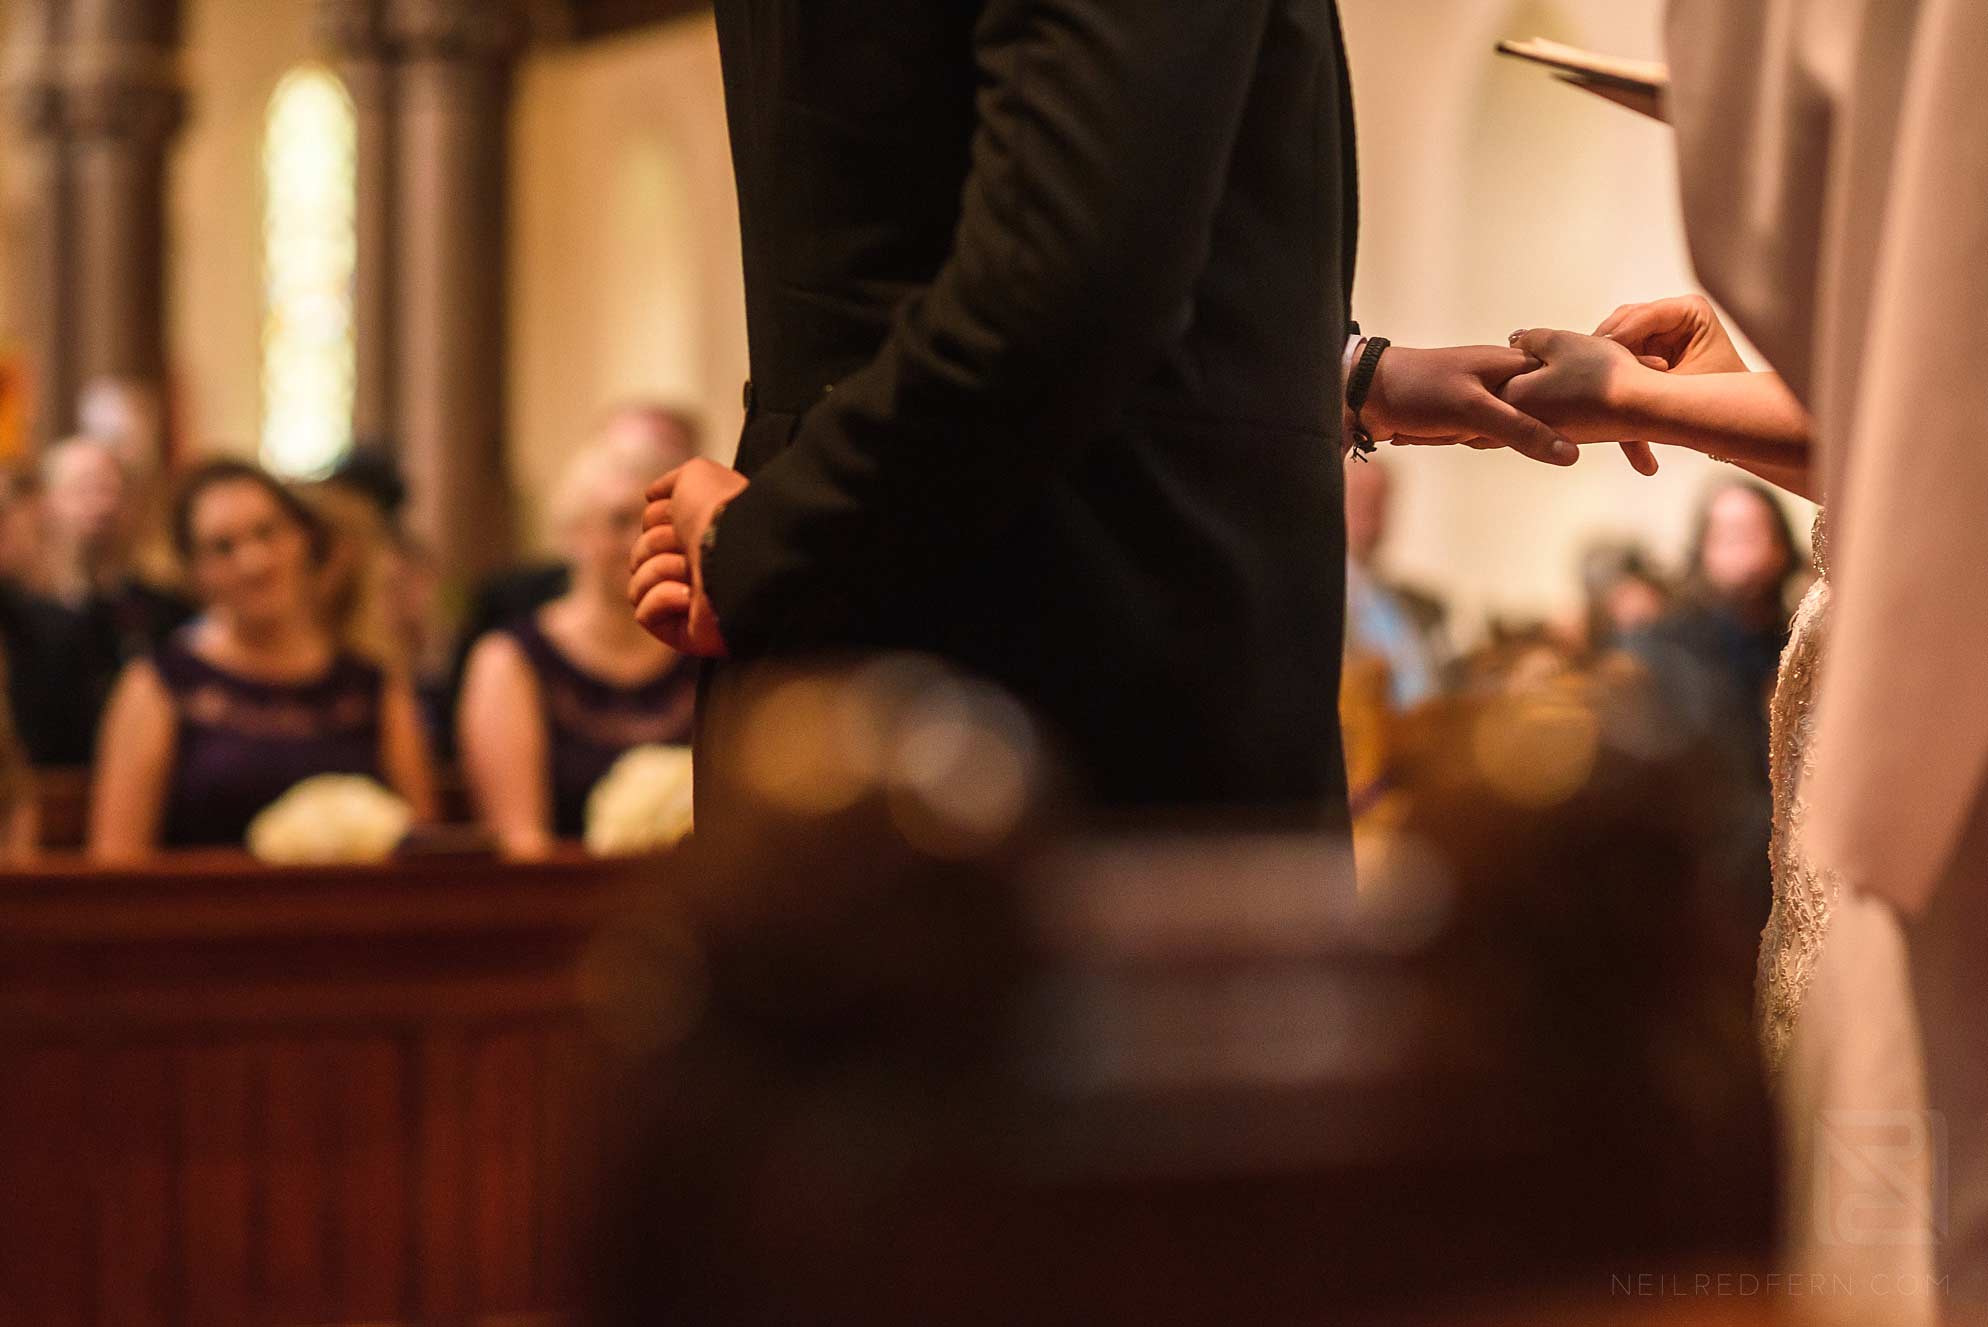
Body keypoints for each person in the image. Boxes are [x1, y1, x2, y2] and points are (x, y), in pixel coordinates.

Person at [631, 1, 1576, 829]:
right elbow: (1059, 281)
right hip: (1031, 680)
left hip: (994, 634)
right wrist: (766, 544)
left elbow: (962, 184)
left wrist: (1334, 374)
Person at [88, 460, 436, 858]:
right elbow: (117, 857)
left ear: (303, 537)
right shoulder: (158, 684)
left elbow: (417, 839)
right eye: (223, 547)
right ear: (196, 571)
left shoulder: (370, 683)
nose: (253, 562)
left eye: (267, 533)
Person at [458, 445, 697, 859]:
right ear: (574, 534)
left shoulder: (700, 646)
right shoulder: (511, 660)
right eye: (619, 520)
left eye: (655, 523)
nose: (637, 541)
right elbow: (522, 844)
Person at [1343, 458, 1450, 710]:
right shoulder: (1312, 600)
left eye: (1378, 499)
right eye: (1359, 496)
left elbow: (1449, 678)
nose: (1369, 509)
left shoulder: (1421, 603)